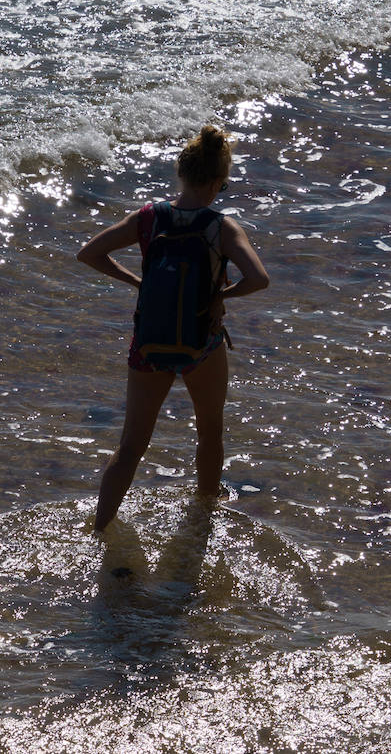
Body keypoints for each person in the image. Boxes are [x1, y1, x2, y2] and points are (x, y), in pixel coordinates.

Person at [77, 125, 269, 532]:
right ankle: (202, 522)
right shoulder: (222, 227)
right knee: (209, 435)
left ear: (181, 174)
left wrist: (137, 281)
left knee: (130, 447)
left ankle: (99, 530)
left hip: (149, 344)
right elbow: (259, 279)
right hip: (202, 343)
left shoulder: (149, 218)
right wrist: (221, 297)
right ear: (218, 182)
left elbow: (89, 253)